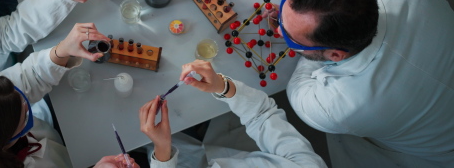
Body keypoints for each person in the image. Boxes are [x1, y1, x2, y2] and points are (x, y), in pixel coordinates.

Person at [277, 0, 454, 166]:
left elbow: (298, 87)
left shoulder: (335, 108)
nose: (278, 28)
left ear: (335, 55)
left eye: (288, 37)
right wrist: (291, 24)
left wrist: (291, 29)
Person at [0, 23, 138, 168]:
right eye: (25, 118)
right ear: (5, 143)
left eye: (19, 95)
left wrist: (61, 51)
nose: (27, 103)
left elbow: (28, 77)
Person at [139, 60, 327, 167]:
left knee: (146, 141)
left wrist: (162, 150)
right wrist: (223, 86)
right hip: (231, 148)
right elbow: (262, 115)